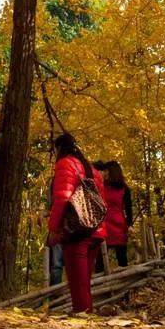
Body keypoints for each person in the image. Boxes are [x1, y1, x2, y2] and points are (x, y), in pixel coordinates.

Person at [47, 133, 108, 314]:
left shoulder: (65, 164)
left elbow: (62, 198)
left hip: (77, 231)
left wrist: (53, 229)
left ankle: (82, 320)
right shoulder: (91, 169)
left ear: (59, 148)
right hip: (95, 230)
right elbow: (102, 201)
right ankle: (86, 317)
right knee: (85, 283)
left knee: (77, 283)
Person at [95, 161, 133, 268]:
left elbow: (129, 209)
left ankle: (125, 281)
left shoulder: (124, 189)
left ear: (112, 171)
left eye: (106, 170)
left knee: (121, 258)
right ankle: (100, 284)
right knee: (100, 260)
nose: (104, 173)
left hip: (119, 226)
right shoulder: (101, 186)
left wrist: (130, 224)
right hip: (103, 225)